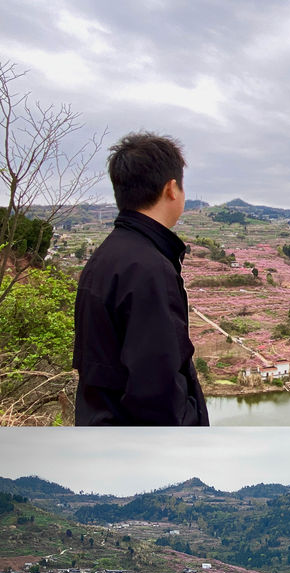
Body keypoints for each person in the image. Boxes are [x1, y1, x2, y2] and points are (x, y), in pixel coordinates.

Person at [73, 132, 210, 425]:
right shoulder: (148, 269)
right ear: (171, 189)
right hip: (145, 454)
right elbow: (158, 394)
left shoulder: (106, 257)